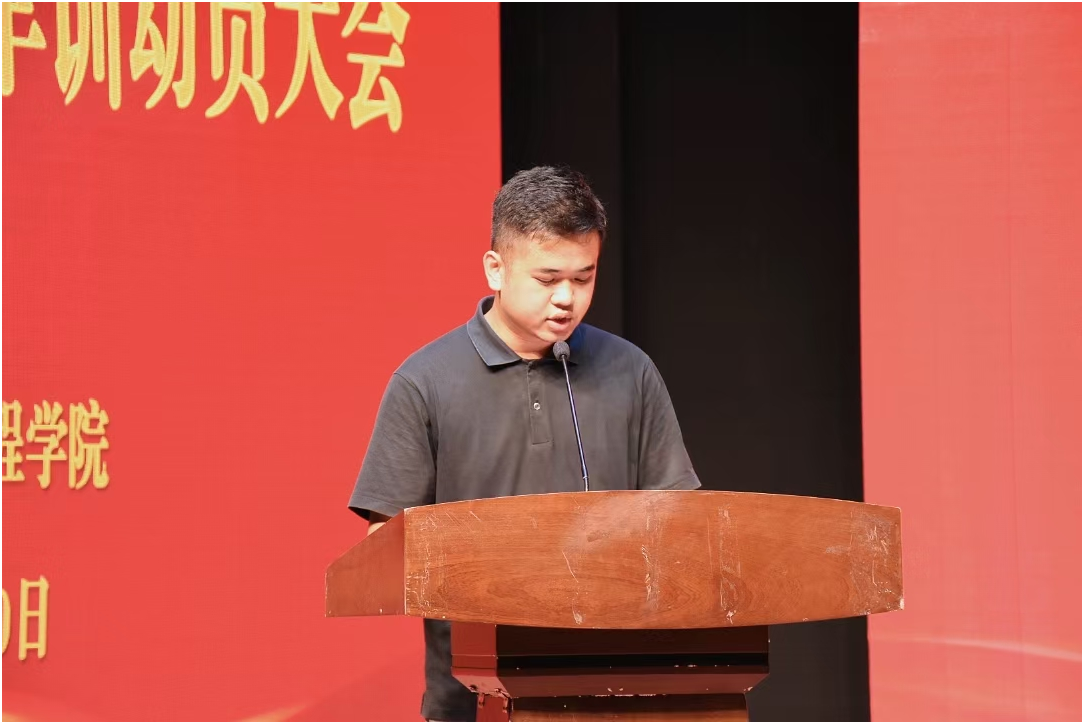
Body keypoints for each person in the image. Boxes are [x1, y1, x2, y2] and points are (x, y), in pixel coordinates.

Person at [347, 165, 701, 722]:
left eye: (583, 278)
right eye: (547, 279)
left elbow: (680, 522)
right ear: (496, 268)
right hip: (474, 701)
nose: (566, 299)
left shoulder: (630, 371)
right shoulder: (424, 382)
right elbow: (384, 548)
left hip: (618, 691)